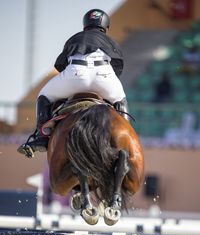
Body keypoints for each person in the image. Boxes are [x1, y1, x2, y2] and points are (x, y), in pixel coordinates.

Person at [18, 8, 128, 157]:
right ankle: (125, 141)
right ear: (106, 27)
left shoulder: (75, 38)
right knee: (121, 100)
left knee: (44, 95)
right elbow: (118, 67)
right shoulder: (111, 41)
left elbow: (60, 65)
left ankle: (41, 138)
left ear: (85, 25)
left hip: (76, 74)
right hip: (104, 77)